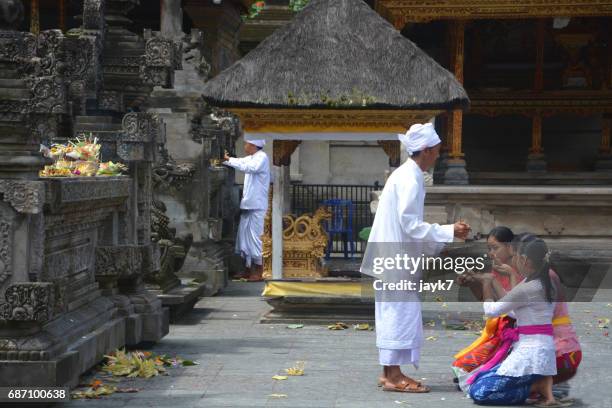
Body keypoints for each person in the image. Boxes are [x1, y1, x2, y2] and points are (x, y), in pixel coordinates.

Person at [361, 122, 471, 393]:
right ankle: (395, 376)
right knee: (399, 314)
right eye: (435, 151)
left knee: (392, 313)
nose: (437, 156)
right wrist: (449, 231)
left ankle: (389, 373)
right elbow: (409, 224)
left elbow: (407, 226)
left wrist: (436, 244)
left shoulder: (404, 175)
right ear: (425, 151)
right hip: (395, 261)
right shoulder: (410, 178)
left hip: (392, 258)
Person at [468, 238, 570, 407]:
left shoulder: (528, 287)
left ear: (524, 260)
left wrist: (486, 282)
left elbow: (492, 311)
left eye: (515, 257)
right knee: (479, 378)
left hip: (531, 354)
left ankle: (535, 386)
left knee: (479, 391)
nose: (513, 261)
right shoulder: (545, 283)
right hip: (542, 350)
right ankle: (544, 388)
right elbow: (515, 311)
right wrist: (496, 281)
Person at [223, 139, 270, 281]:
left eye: (247, 144)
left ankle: (259, 270)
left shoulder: (262, 157)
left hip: (257, 205)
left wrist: (229, 160)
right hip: (248, 204)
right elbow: (242, 162)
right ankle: (248, 269)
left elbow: (249, 167)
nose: (245, 146)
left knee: (256, 238)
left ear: (254, 146)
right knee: (244, 239)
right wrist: (226, 160)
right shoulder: (251, 158)